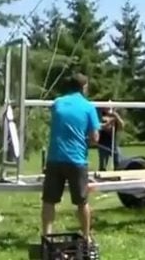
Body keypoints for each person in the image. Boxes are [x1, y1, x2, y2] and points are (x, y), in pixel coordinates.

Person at [41, 73, 101, 241]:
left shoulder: (57, 103)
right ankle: (86, 236)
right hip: (76, 160)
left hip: (54, 158)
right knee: (82, 202)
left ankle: (46, 236)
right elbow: (95, 138)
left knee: (49, 200)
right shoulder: (88, 107)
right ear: (84, 87)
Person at [96, 107, 124, 171]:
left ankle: (117, 174)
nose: (108, 108)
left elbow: (121, 126)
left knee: (118, 160)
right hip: (103, 143)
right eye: (106, 107)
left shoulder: (115, 116)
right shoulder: (100, 116)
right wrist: (108, 123)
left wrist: (117, 117)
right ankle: (102, 176)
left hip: (113, 143)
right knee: (103, 164)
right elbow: (99, 127)